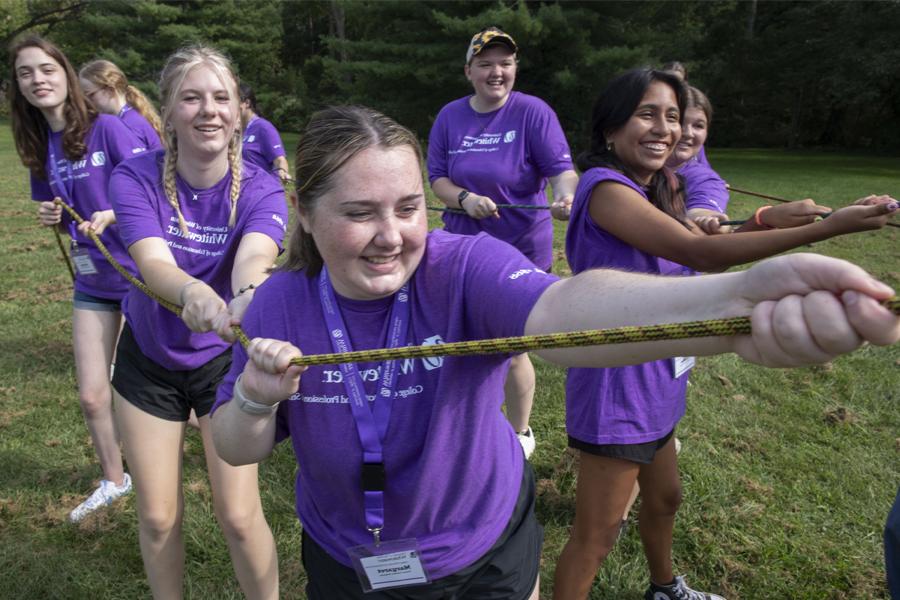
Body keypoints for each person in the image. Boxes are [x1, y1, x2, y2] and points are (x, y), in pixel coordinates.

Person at [209, 105, 899, 600]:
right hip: (348, 561)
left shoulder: (462, 266)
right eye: (360, 213)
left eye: (409, 207)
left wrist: (737, 300)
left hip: (486, 550)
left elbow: (568, 312)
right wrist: (255, 398)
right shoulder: (280, 305)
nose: (392, 236)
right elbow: (238, 448)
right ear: (304, 211)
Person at [552, 68, 898, 600]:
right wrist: (832, 227)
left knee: (665, 499)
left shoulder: (655, 189)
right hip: (617, 385)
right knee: (597, 536)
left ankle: (664, 588)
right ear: (609, 130)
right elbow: (701, 253)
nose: (666, 128)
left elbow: (693, 245)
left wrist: (765, 219)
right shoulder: (606, 191)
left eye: (673, 116)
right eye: (647, 113)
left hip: (660, 376)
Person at [108, 45, 285, 599]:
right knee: (158, 517)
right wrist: (192, 292)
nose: (208, 110)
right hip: (149, 362)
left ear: (237, 112)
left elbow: (256, 258)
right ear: (168, 112)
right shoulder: (132, 178)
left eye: (220, 97)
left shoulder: (262, 187)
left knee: (237, 514)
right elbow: (154, 263)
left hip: (219, 365)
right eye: (191, 97)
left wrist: (248, 293)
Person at [10, 34, 147, 522]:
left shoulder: (108, 128)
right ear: (18, 86)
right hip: (91, 280)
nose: (37, 79)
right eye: (26, 73)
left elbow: (150, 188)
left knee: (145, 388)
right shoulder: (36, 142)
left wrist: (112, 212)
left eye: (46, 68)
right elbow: (59, 204)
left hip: (140, 277)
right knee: (93, 393)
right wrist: (55, 215)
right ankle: (115, 479)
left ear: (65, 74)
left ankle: (169, 460)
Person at [427, 27, 579, 457]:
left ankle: (518, 433)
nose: (497, 72)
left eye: (506, 63)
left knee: (510, 349)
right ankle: (466, 424)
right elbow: (437, 178)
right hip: (462, 250)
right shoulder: (449, 117)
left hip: (520, 252)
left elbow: (561, 170)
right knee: (458, 342)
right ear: (469, 71)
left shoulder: (533, 112)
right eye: (487, 63)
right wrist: (465, 198)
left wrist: (564, 194)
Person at [78, 59, 163, 153]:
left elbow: (136, 165)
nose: (85, 102)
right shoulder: (130, 116)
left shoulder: (128, 124)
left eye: (90, 95)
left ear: (110, 90)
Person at [239, 82, 291, 185]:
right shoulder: (235, 130)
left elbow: (280, 159)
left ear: (247, 103)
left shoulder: (264, 127)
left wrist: (283, 171)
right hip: (241, 193)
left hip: (262, 192)